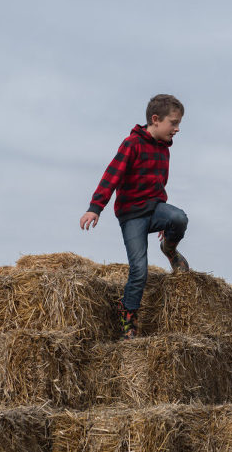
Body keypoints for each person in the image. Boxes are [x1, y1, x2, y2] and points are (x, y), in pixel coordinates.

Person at [80, 94, 189, 340]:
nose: (177, 128)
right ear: (155, 119)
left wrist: (164, 217)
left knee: (179, 218)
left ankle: (169, 249)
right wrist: (95, 207)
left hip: (154, 208)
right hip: (132, 216)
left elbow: (159, 183)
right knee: (139, 270)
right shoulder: (132, 144)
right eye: (173, 122)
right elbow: (112, 175)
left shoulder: (164, 150)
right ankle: (128, 314)